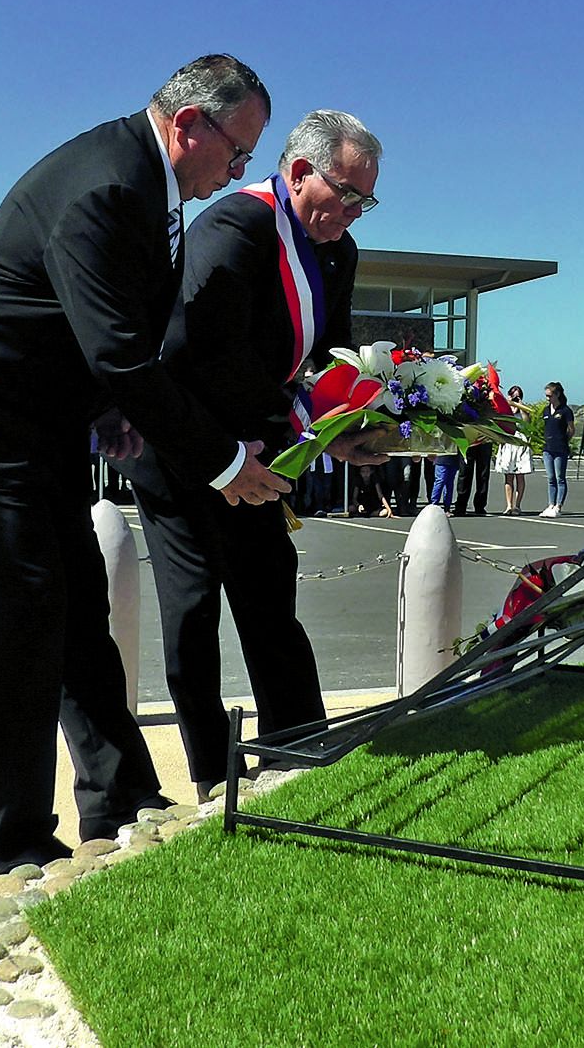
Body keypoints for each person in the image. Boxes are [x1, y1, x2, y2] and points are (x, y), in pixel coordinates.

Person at [0, 54, 291, 888]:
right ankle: (9, 844)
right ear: (188, 125)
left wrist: (110, 409)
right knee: (23, 613)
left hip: (32, 419)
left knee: (76, 607)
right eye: (238, 153)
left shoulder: (144, 183)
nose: (239, 172)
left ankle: (122, 800)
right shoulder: (108, 184)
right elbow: (121, 352)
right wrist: (221, 461)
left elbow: (98, 337)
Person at [128, 108, 385, 801]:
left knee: (270, 591)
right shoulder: (234, 225)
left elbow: (329, 356)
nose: (354, 213)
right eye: (348, 194)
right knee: (191, 611)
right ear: (300, 172)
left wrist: (353, 423)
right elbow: (201, 350)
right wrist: (291, 417)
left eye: (367, 199)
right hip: (185, 447)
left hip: (259, 447)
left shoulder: (337, 250)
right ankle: (214, 771)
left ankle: (296, 747)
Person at [493, 385, 534, 514]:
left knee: (520, 476)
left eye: (519, 396)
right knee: (508, 475)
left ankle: (517, 505)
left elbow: (526, 422)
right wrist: (509, 404)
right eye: (514, 396)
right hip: (508, 440)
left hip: (520, 441)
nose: (516, 398)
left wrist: (520, 406)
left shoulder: (523, 409)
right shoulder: (505, 408)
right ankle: (509, 505)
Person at [538, 381, 574, 517]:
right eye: (546, 396)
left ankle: (558, 506)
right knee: (550, 478)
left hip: (560, 448)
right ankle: (551, 504)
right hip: (547, 448)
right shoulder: (546, 410)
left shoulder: (565, 411)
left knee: (560, 477)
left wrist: (564, 441)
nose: (548, 399)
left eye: (550, 396)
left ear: (557, 394)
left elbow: (571, 429)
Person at [453, 439, 493, 517]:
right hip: (467, 441)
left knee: (483, 475)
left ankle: (480, 505)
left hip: (484, 440)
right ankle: (461, 505)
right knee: (464, 473)